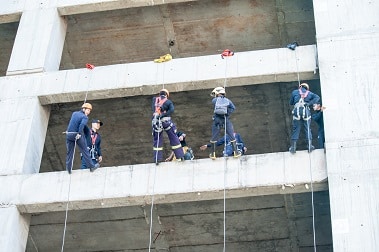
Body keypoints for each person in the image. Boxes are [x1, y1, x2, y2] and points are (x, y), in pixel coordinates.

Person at [152, 88, 184, 164]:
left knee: (157, 140)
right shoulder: (168, 101)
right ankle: (180, 156)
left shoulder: (154, 100)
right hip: (166, 122)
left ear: (160, 94)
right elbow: (172, 110)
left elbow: (154, 109)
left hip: (156, 122)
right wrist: (163, 114)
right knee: (173, 137)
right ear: (166, 95)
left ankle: (157, 159)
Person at [65, 103, 100, 174]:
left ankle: (68, 169)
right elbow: (82, 125)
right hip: (76, 135)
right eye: (87, 110)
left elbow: (74, 123)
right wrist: (79, 133)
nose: (88, 112)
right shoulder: (85, 117)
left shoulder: (74, 113)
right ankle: (92, 166)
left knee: (70, 152)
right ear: (83, 109)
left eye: (89, 111)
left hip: (69, 134)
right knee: (84, 150)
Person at [208, 87, 241, 159]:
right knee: (231, 135)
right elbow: (233, 108)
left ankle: (212, 154)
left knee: (214, 136)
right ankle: (236, 152)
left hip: (217, 120)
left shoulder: (214, 100)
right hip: (225, 119)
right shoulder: (228, 100)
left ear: (217, 93)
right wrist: (227, 113)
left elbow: (214, 103)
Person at [289, 83, 320, 153]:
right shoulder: (310, 93)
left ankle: (293, 148)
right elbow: (317, 98)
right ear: (307, 88)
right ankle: (309, 146)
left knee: (296, 129)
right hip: (306, 111)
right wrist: (309, 103)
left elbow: (291, 102)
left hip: (297, 111)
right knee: (307, 128)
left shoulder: (294, 92)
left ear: (300, 87)